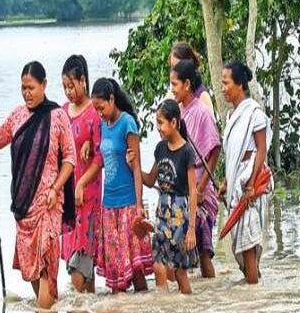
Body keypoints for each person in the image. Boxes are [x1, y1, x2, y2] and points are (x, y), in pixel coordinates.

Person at [0, 62, 76, 311]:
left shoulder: (57, 116)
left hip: (49, 204)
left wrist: (55, 188)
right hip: (24, 205)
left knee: (45, 266)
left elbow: (70, 159)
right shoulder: (18, 115)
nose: (27, 93)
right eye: (23, 88)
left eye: (31, 87)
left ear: (44, 85)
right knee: (32, 271)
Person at [91, 77, 152, 292]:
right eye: (96, 109)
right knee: (116, 270)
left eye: (101, 107)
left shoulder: (127, 123)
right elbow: (102, 158)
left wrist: (138, 205)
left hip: (128, 203)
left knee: (135, 269)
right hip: (109, 206)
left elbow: (137, 167)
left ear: (112, 99)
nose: (99, 113)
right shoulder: (102, 124)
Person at [137, 100, 199, 294]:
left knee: (180, 271)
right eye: (157, 122)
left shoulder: (187, 152)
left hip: (180, 214)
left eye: (161, 123)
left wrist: (191, 230)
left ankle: (186, 306)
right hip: (162, 212)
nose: (158, 128)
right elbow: (149, 179)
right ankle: (163, 306)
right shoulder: (160, 149)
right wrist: (134, 165)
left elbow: (193, 191)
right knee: (158, 262)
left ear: (174, 123)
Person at [220, 61, 272, 284]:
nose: (223, 88)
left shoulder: (254, 114)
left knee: (248, 245)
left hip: (250, 185)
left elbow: (261, 150)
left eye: (226, 83)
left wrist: (250, 184)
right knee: (241, 243)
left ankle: (253, 294)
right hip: (236, 184)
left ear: (239, 84)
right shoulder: (232, 116)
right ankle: (253, 283)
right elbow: (232, 155)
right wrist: (225, 182)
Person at [170, 59, 222, 278]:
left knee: (203, 252)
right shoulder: (179, 112)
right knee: (179, 250)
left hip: (200, 190)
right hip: (183, 188)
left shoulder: (202, 112)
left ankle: (210, 292)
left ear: (187, 84)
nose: (171, 89)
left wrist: (200, 188)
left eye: (175, 84)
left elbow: (215, 149)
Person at [60, 55, 103, 293]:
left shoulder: (94, 112)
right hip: (68, 197)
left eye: (71, 85)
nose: (68, 91)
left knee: (80, 265)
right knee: (79, 270)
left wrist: (81, 184)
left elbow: (100, 157)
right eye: (64, 87)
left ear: (83, 81)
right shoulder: (63, 112)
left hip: (87, 196)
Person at [169, 41, 215, 117]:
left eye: (177, 67)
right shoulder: (172, 96)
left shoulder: (202, 97)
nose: (174, 72)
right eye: (172, 68)